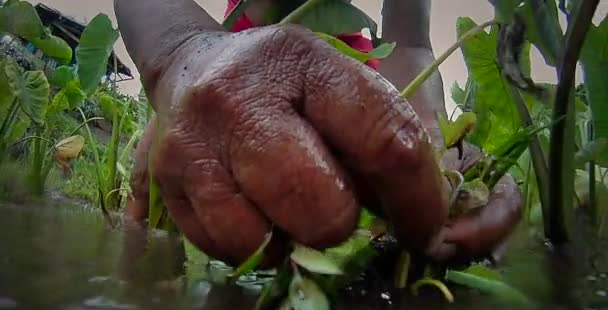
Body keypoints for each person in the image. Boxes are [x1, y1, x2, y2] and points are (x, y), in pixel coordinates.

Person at [114, 0, 522, 267]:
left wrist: (430, 137)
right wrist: (182, 54)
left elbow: (410, 41)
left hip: (342, 64)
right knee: (148, 198)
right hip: (223, 49)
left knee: (369, 234)